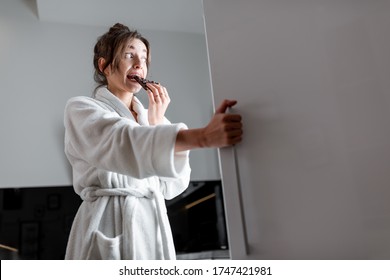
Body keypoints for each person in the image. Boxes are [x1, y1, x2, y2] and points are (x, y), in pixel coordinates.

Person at [63, 23, 243, 260]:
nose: (140, 64)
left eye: (144, 58)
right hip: (107, 221)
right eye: (129, 55)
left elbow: (172, 188)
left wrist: (158, 122)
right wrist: (202, 137)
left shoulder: (151, 119)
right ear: (104, 65)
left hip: (152, 227)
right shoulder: (81, 108)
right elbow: (121, 141)